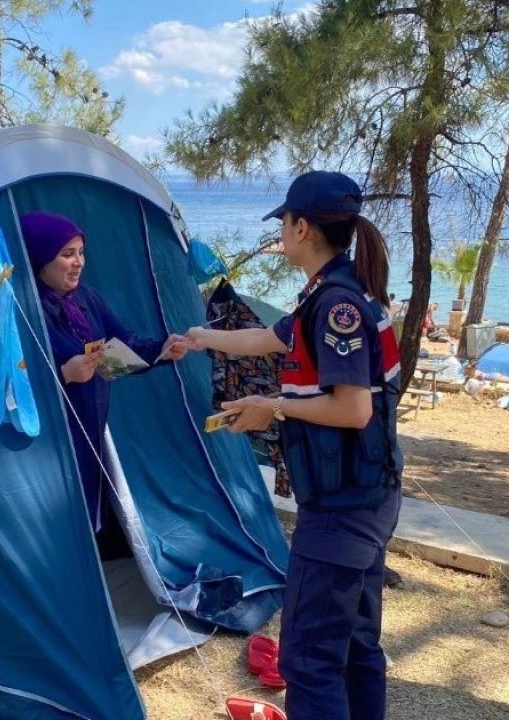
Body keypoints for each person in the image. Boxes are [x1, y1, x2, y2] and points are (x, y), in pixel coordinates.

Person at [182, 171, 403, 720]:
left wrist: (272, 406)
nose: (281, 231)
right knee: (354, 645)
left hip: (344, 505)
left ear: (303, 227)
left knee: (309, 658)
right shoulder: (326, 294)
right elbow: (269, 338)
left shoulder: (337, 305)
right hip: (363, 494)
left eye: (284, 221)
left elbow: (354, 409)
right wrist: (199, 338)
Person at [19, 212, 188, 557]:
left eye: (81, 252)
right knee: (55, 522)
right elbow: (11, 381)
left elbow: (122, 342)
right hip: (47, 444)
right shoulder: (22, 307)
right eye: (67, 253)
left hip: (90, 430)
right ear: (40, 258)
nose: (78, 262)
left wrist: (162, 348)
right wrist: (63, 373)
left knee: (88, 513)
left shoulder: (86, 299)